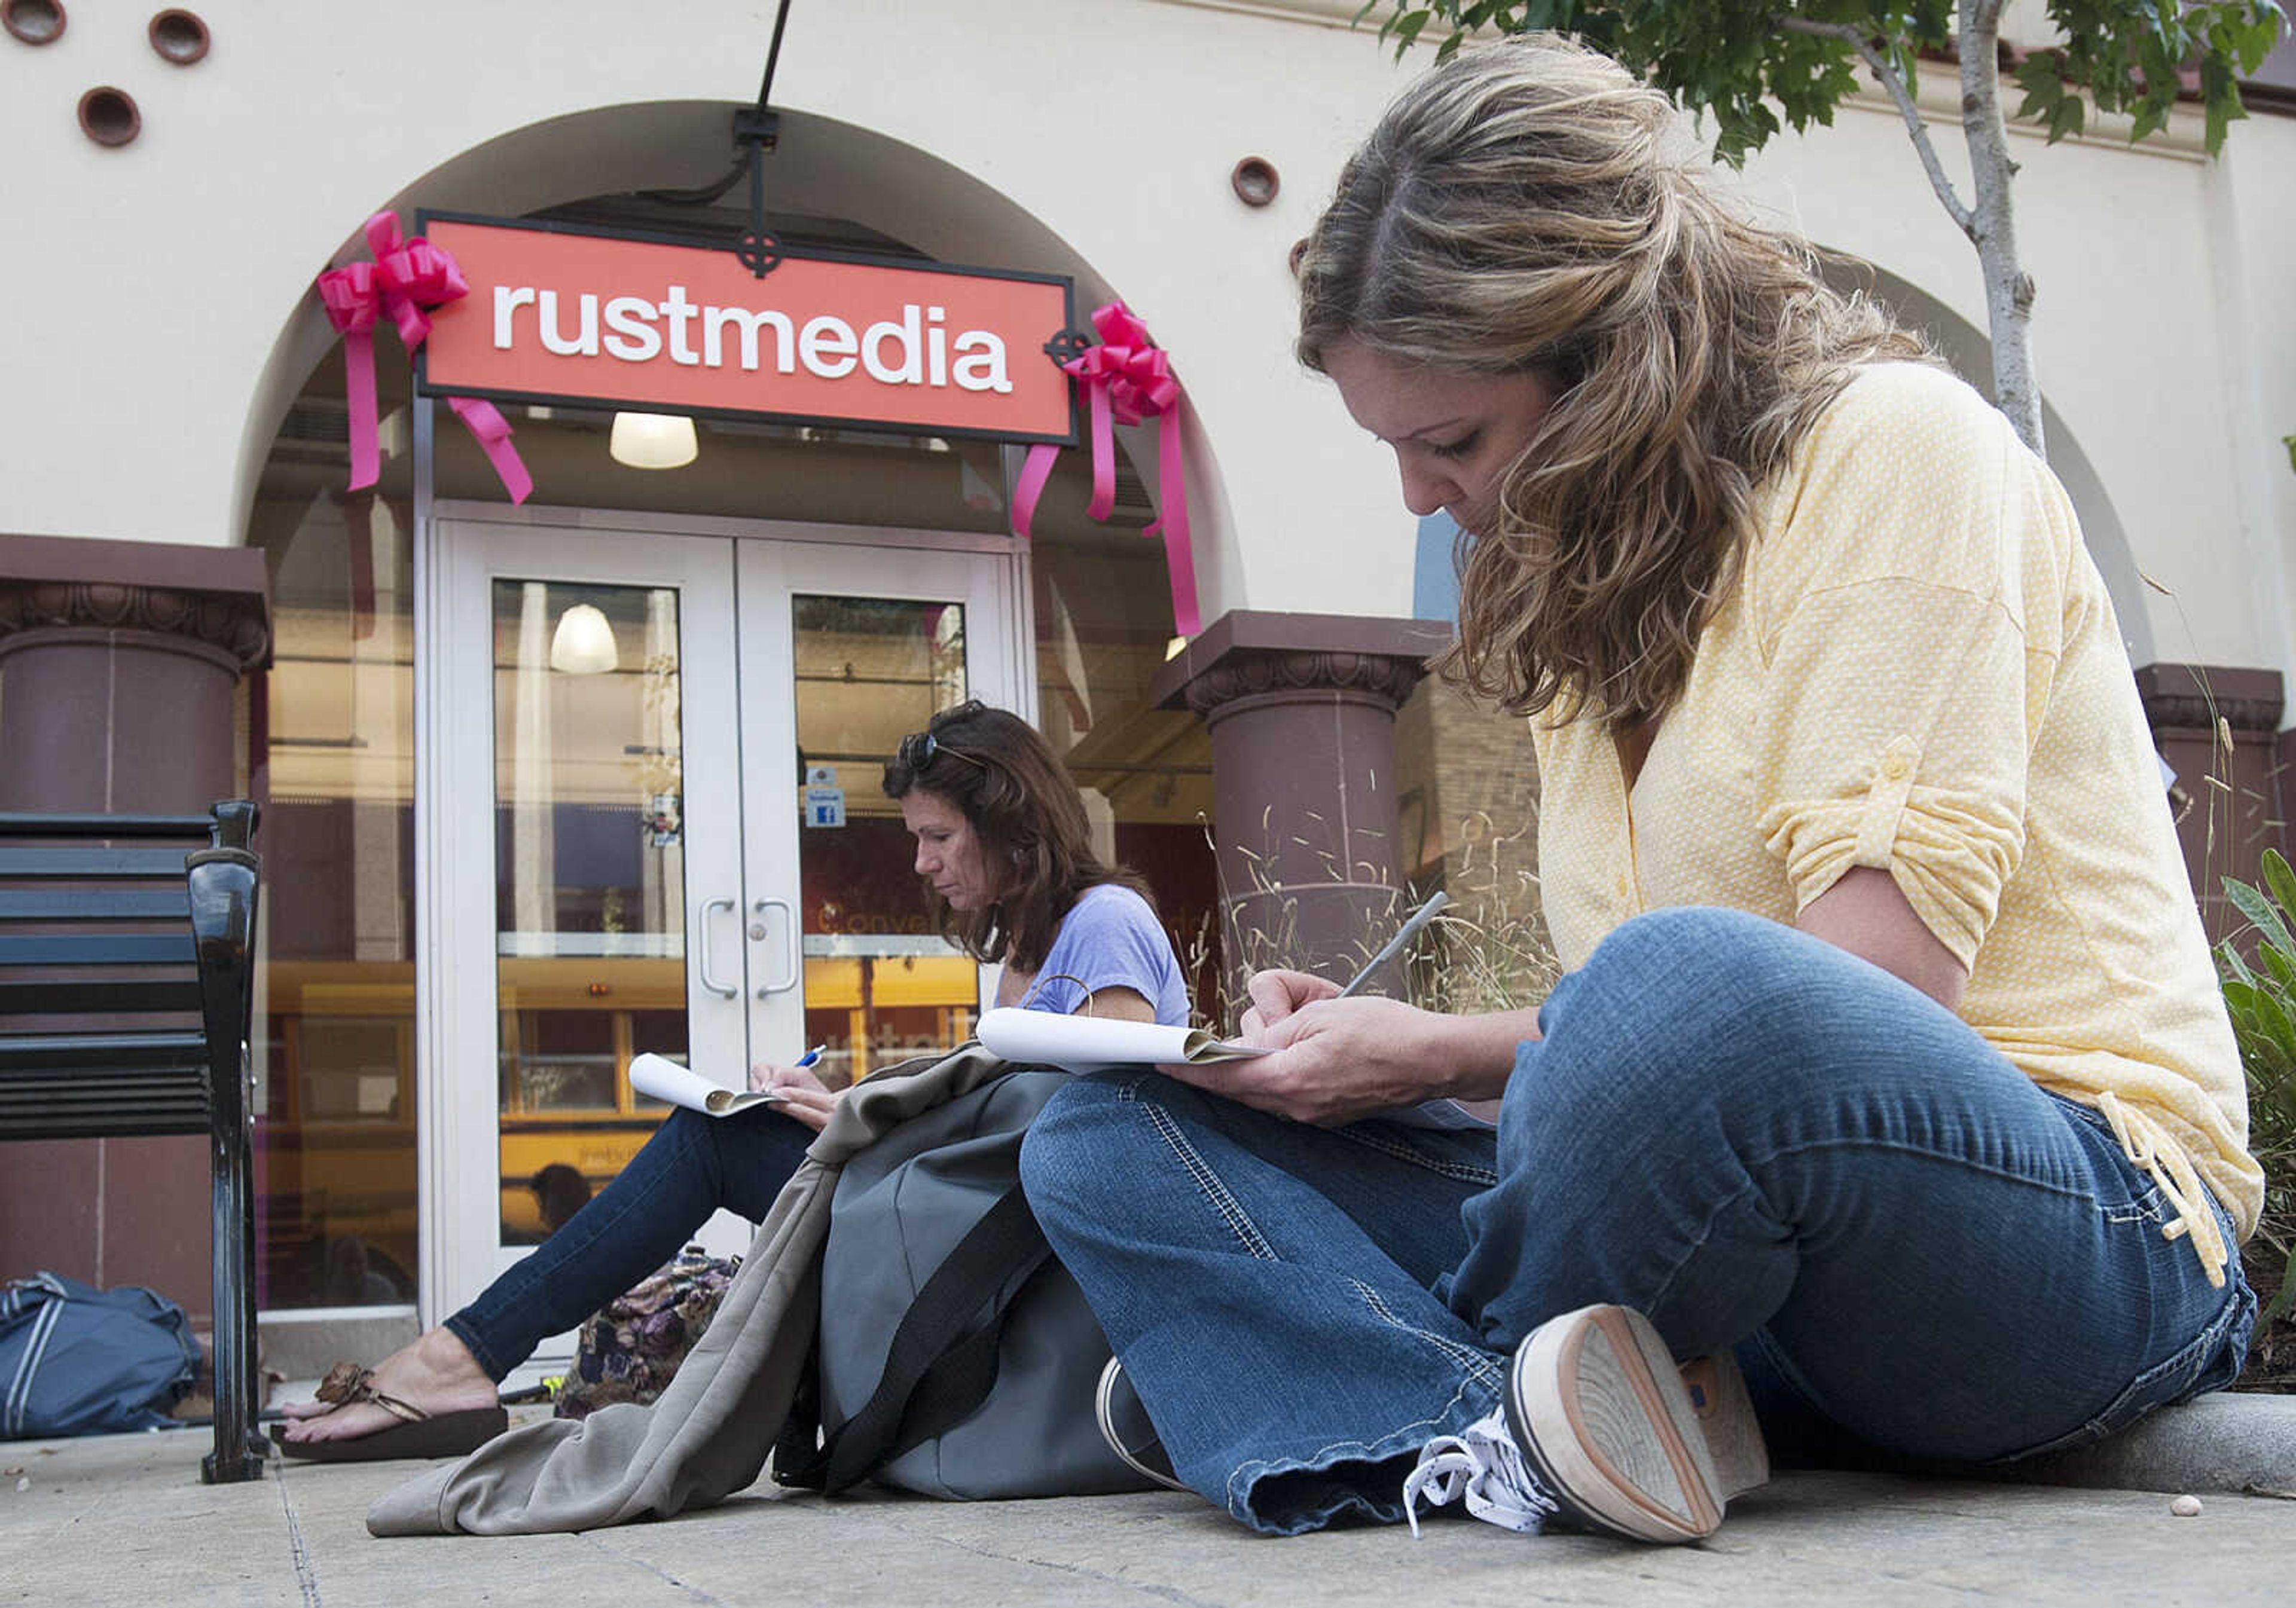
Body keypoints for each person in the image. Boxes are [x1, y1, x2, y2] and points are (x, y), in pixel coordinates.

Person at [1018, 34, 2260, 1545]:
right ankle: (1512, 1421)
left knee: (1681, 994)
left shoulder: (1902, 451)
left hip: (2085, 1233)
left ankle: (1351, 1378)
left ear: (1611, 357)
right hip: (1767, 1284)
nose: (1420, 496)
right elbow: (1636, 1087)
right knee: (1107, 1134)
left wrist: (1429, 1054)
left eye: (1449, 440)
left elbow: (1851, 996)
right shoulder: (1591, 587)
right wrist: (1378, 1069)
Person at [280, 699, 1188, 1455]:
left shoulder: (1105, 921)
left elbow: (1103, 1131)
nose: (920, 862)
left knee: (710, 1143)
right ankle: (461, 1358)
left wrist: (876, 1124)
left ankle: (457, 1362)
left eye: (938, 835)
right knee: (721, 1131)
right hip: (961, 1215)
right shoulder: (1032, 950)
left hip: (1014, 1253)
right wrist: (845, 1112)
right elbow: (1006, 1121)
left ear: (1013, 826)